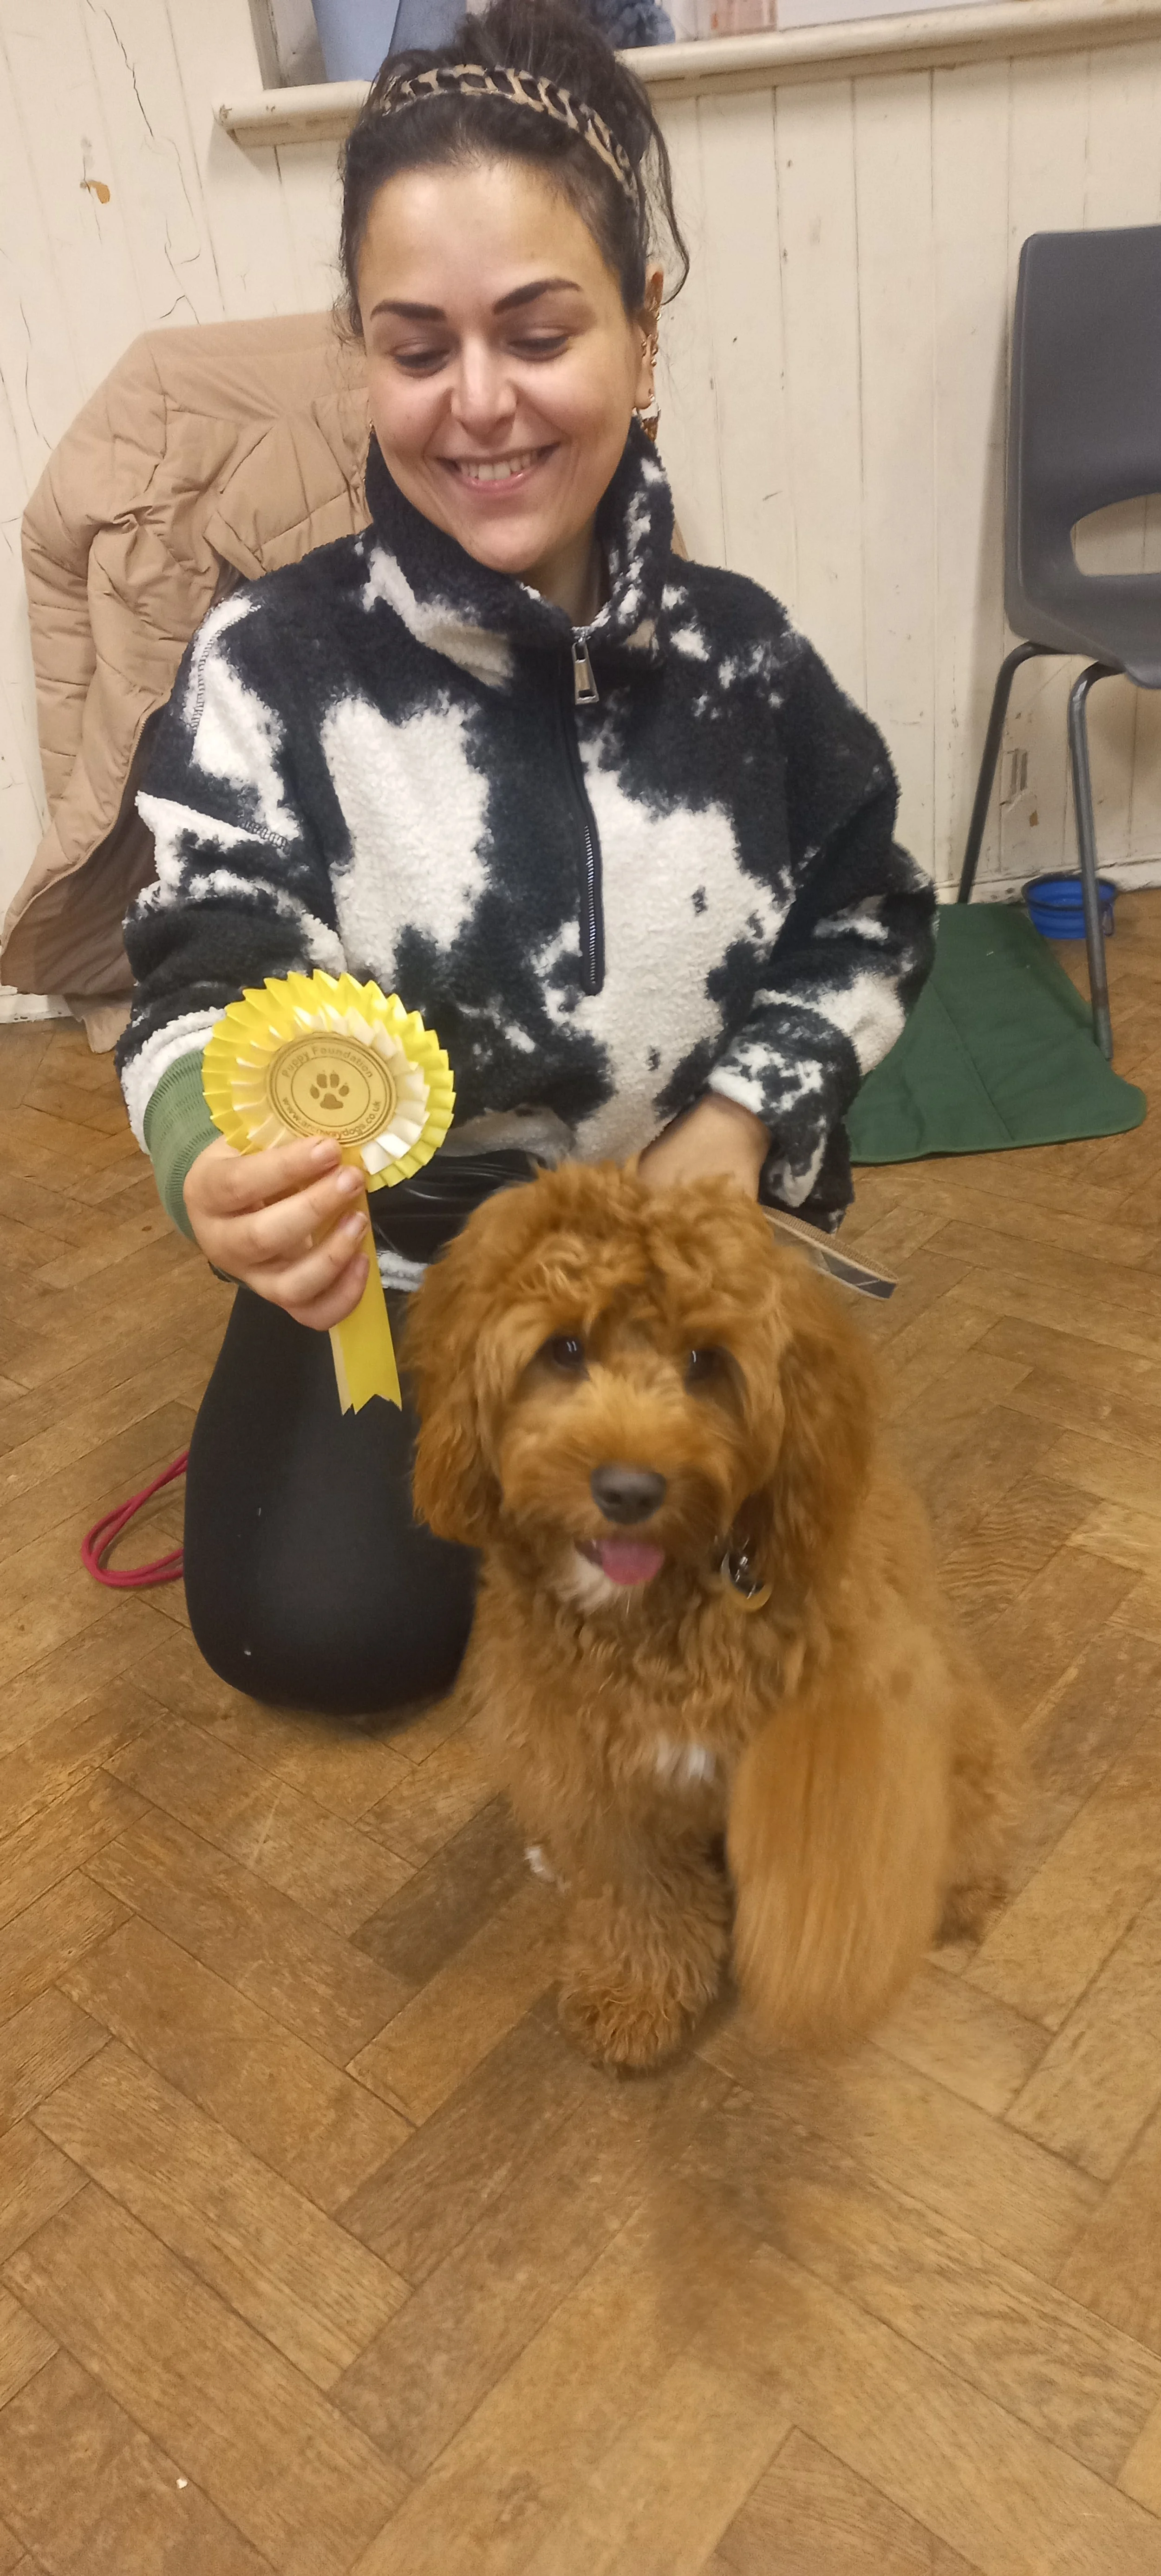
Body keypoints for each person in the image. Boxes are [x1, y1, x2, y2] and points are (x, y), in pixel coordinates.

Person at [116, 0, 936, 1717]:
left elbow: (868, 919)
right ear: (363, 351)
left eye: (536, 332)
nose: (478, 404)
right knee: (311, 1636)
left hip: (683, 1266)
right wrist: (218, 1167)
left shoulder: (752, 667)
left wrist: (741, 1124)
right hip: (414, 1278)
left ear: (643, 329)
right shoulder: (269, 670)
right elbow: (201, 966)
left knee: (767, 1599)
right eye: (416, 348)